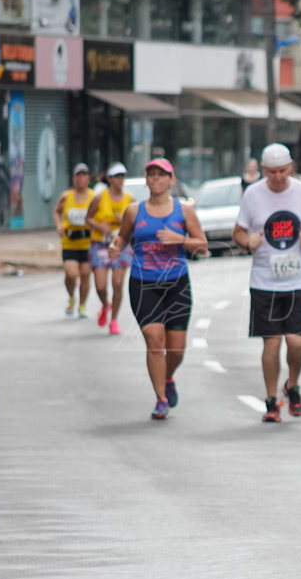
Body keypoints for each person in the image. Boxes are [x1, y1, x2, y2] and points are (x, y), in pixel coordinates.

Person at [232, 143, 301, 423]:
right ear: (263, 170)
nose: (278, 177)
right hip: (264, 280)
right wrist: (248, 242)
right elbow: (238, 231)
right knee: (270, 344)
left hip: (298, 278)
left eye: (283, 171)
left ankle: (292, 385)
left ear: (291, 167)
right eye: (272, 172)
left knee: (296, 342)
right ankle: (272, 400)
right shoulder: (253, 194)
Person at [109, 158, 206, 420]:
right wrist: (115, 246)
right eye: (151, 174)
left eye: (162, 174)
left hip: (177, 284)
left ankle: (168, 376)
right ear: (146, 180)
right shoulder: (133, 211)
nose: (156, 179)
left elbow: (203, 246)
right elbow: (123, 237)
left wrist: (180, 239)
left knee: (175, 351)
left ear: (172, 180)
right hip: (143, 282)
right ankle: (161, 398)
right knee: (155, 341)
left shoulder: (184, 211)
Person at [87, 162, 134, 335]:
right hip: (100, 244)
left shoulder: (130, 199)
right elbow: (88, 218)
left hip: (121, 244)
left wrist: (125, 220)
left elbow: (137, 223)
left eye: (122, 176)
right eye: (117, 177)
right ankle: (105, 304)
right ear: (110, 179)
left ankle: (114, 320)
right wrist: (100, 226)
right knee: (100, 285)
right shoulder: (100, 198)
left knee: (118, 282)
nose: (120, 180)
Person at [53, 163, 95, 318]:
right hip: (69, 241)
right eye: (78, 175)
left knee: (85, 274)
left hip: (88, 243)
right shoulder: (66, 196)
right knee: (71, 274)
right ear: (74, 178)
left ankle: (82, 305)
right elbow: (57, 212)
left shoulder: (93, 197)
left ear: (88, 178)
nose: (81, 178)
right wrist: (59, 225)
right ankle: (71, 297)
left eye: (84, 175)